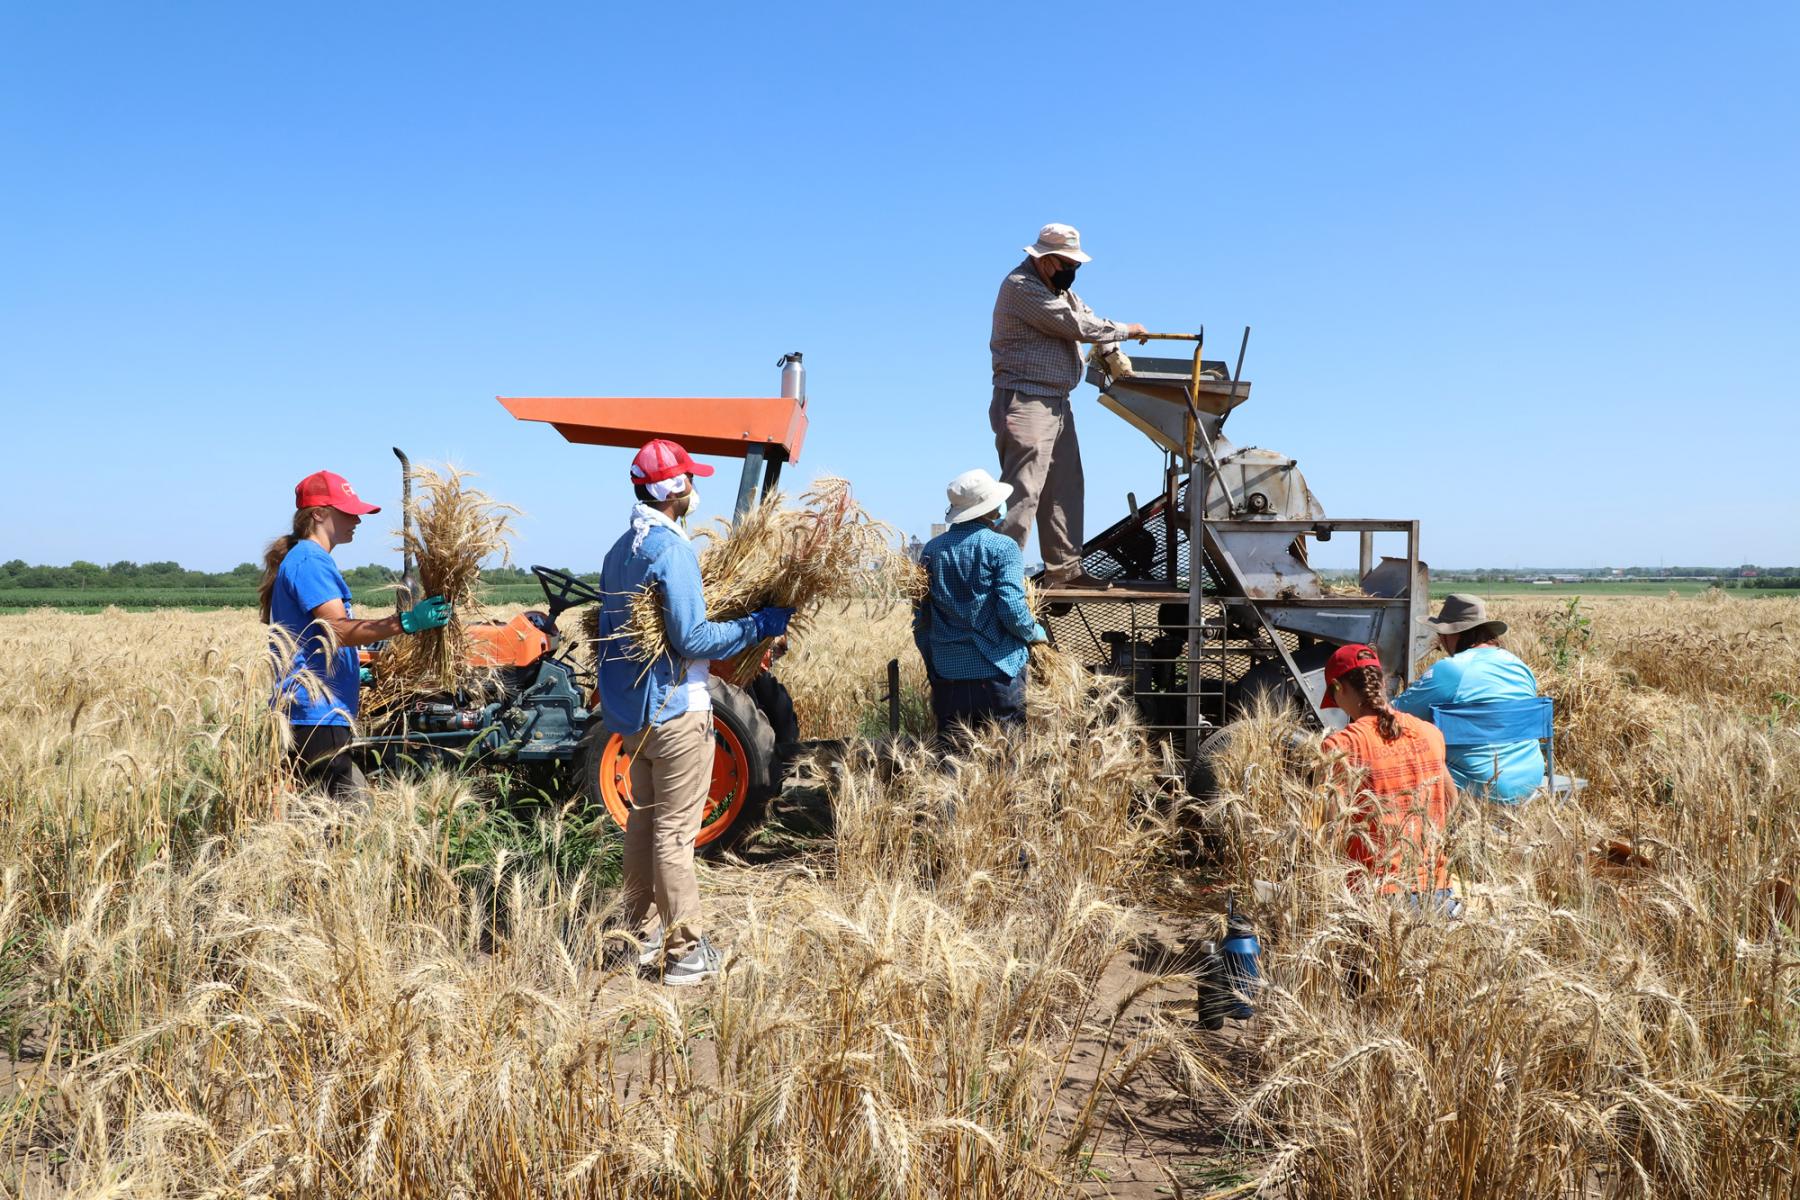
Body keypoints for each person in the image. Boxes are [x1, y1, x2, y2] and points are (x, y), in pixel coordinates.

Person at [595, 438, 793, 987]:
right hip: (678, 709)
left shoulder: (620, 551)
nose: (695, 487)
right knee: (675, 834)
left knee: (644, 821)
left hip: (635, 716)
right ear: (674, 490)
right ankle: (684, 953)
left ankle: (638, 937)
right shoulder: (672, 551)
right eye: (689, 479)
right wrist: (759, 625)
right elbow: (694, 636)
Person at [260, 469, 452, 801]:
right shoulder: (310, 561)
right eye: (348, 512)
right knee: (345, 820)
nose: (357, 520)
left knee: (331, 815)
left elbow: (313, 637)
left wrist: (351, 672)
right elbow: (336, 631)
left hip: (317, 710)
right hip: (317, 714)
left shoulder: (306, 559)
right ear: (319, 514)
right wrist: (406, 622)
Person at [989, 222, 1147, 589]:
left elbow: (1085, 315)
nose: (1072, 273)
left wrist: (1112, 351)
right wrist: (1126, 329)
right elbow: (1073, 324)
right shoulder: (1020, 287)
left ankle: (1065, 573)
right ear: (1045, 261)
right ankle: (1001, 580)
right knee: (1023, 492)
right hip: (1026, 399)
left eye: (1076, 266)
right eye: (1067, 265)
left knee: (1064, 488)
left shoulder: (1059, 290)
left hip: (1057, 402)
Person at [913, 468, 1048, 745]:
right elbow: (1012, 610)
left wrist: (934, 663)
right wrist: (1034, 633)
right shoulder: (1003, 547)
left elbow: (921, 619)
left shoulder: (932, 550)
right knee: (1006, 762)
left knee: (953, 761)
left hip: (948, 676)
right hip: (998, 674)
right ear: (990, 509)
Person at [1320, 643, 1458, 907]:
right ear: (1381, 682)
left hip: (1376, 899)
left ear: (1338, 687)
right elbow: (1451, 801)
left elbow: (1331, 829)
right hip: (1438, 893)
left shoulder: (1340, 747)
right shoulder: (1430, 733)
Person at [1391, 594, 1546, 802]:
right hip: (1530, 780)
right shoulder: (1519, 666)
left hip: (1478, 784)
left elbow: (1395, 713)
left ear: (1451, 634)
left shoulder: (1452, 669)